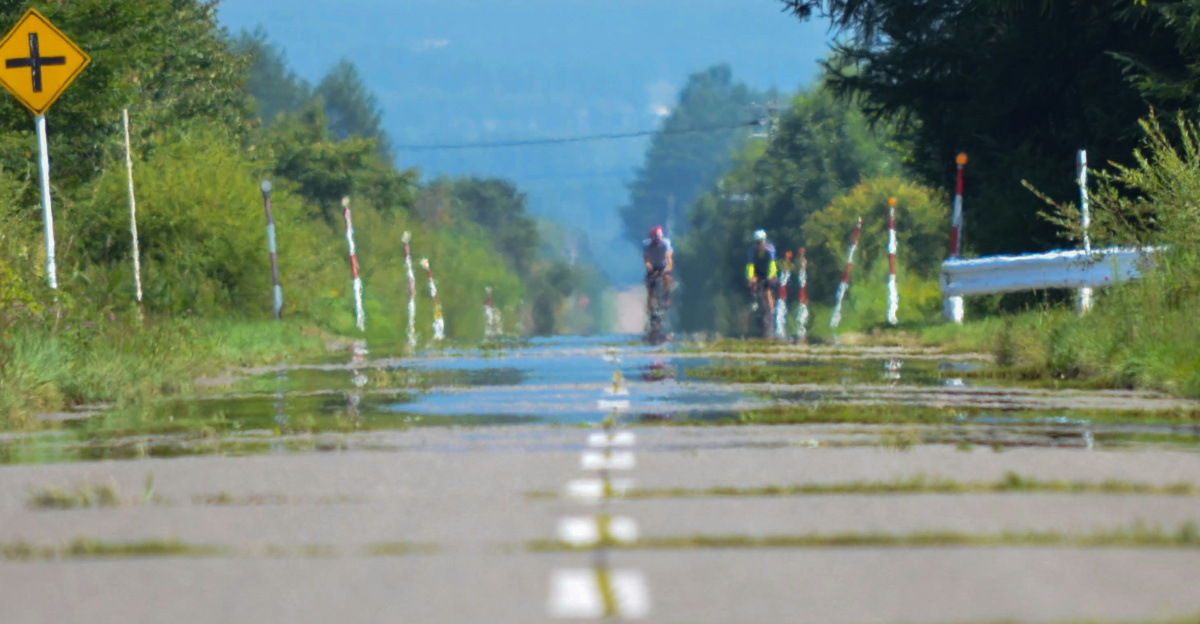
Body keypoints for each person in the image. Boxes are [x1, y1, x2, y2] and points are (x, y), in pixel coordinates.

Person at [745, 229, 778, 314]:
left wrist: (771, 276)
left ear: (765, 241)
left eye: (760, 242)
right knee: (752, 282)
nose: (758, 245)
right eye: (757, 243)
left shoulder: (770, 249)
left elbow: (772, 265)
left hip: (768, 272)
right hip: (757, 272)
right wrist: (750, 278)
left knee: (767, 292)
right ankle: (754, 300)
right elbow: (750, 266)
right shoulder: (752, 250)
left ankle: (772, 312)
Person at [643, 225, 673, 313]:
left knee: (667, 279)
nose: (657, 243)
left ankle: (667, 299)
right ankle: (650, 306)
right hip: (653, 268)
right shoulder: (646, 246)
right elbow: (647, 261)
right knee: (650, 286)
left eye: (658, 241)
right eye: (655, 241)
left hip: (663, 267)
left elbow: (669, 260)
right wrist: (650, 270)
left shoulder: (665, 244)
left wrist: (667, 269)